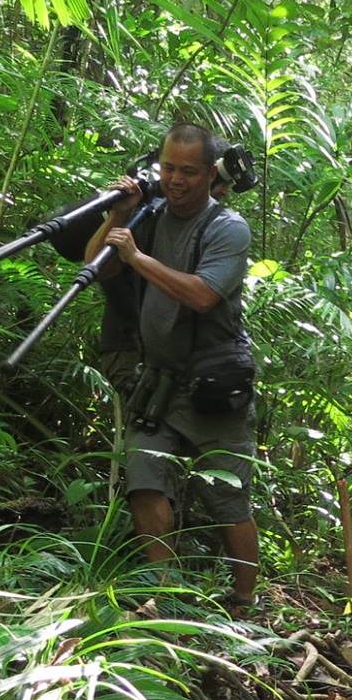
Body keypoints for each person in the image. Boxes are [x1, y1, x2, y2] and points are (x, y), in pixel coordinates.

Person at [88, 123, 260, 610]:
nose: (175, 179)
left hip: (216, 385)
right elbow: (96, 265)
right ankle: (163, 594)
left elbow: (203, 294)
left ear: (211, 175)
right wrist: (118, 216)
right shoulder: (149, 214)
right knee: (143, 480)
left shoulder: (227, 227)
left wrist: (137, 257)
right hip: (157, 384)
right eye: (168, 168)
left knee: (227, 500)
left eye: (188, 171)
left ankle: (245, 602)